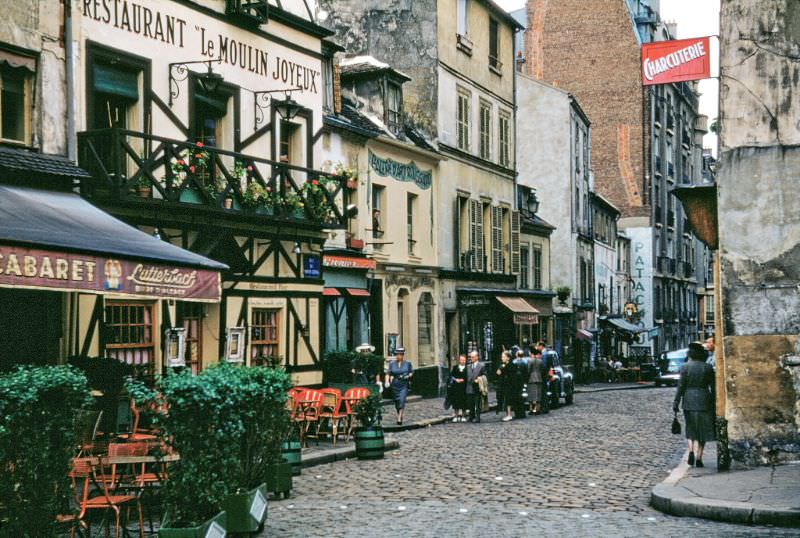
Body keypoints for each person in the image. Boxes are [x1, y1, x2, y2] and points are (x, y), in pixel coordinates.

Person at [673, 341, 715, 467]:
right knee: (703, 429)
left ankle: (690, 450)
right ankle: (699, 456)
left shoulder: (685, 367)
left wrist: (676, 401)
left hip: (689, 398)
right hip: (704, 398)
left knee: (690, 427)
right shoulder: (707, 367)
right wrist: (714, 401)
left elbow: (680, 387)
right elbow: (713, 387)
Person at [387, 347, 413, 425]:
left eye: (400, 355)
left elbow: (411, 372)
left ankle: (399, 418)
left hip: (403, 383)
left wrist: (408, 376)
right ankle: (399, 413)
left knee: (402, 399)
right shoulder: (392, 364)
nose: (398, 356)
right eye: (397, 355)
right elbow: (388, 373)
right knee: (397, 401)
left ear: (402, 355)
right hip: (395, 384)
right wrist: (387, 381)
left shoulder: (407, 363)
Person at [465, 351, 486, 423]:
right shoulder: (468, 366)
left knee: (477, 403)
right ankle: (471, 416)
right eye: (471, 357)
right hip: (469, 387)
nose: (471, 358)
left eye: (473, 357)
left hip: (477, 387)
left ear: (477, 357)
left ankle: (478, 417)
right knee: (470, 403)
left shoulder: (481, 366)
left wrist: (479, 379)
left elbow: (484, 376)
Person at [496, 351, 515, 422]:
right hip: (503, 385)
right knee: (505, 399)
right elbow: (498, 373)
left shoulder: (511, 365)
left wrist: (502, 371)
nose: (502, 358)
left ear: (508, 358)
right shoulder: (503, 364)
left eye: (503, 357)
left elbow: (510, 375)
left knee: (508, 400)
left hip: (509, 385)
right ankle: (508, 414)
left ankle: (509, 414)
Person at [449, 354, 468, 422]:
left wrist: (464, 379)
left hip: (464, 387)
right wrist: (456, 379)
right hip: (456, 387)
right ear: (459, 360)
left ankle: (463, 416)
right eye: (461, 360)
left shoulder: (467, 368)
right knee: (456, 402)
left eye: (464, 360)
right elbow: (451, 376)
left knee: (463, 402)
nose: (462, 361)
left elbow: (468, 377)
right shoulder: (455, 367)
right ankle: (456, 416)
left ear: (465, 361)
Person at [527, 348, 544, 415]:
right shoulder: (540, 361)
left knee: (531, 395)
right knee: (538, 395)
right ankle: (537, 409)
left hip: (531, 379)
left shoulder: (530, 361)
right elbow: (542, 370)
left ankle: (531, 409)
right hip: (539, 378)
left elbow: (528, 370)